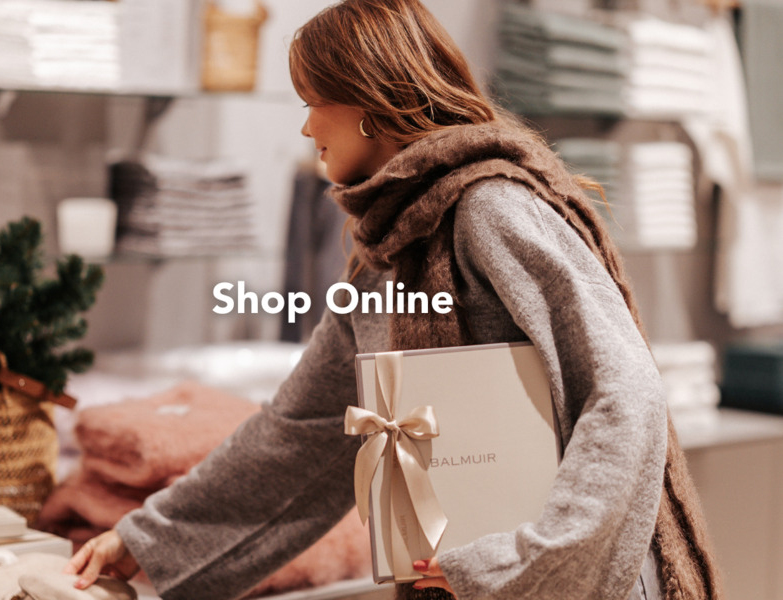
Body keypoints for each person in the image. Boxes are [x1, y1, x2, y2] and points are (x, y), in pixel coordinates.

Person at [65, 1, 723, 599]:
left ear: (367, 106)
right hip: (468, 578)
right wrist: (145, 538)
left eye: (311, 103)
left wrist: (532, 559)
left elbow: (626, 392)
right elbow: (299, 434)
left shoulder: (489, 209)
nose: (305, 130)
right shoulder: (386, 252)